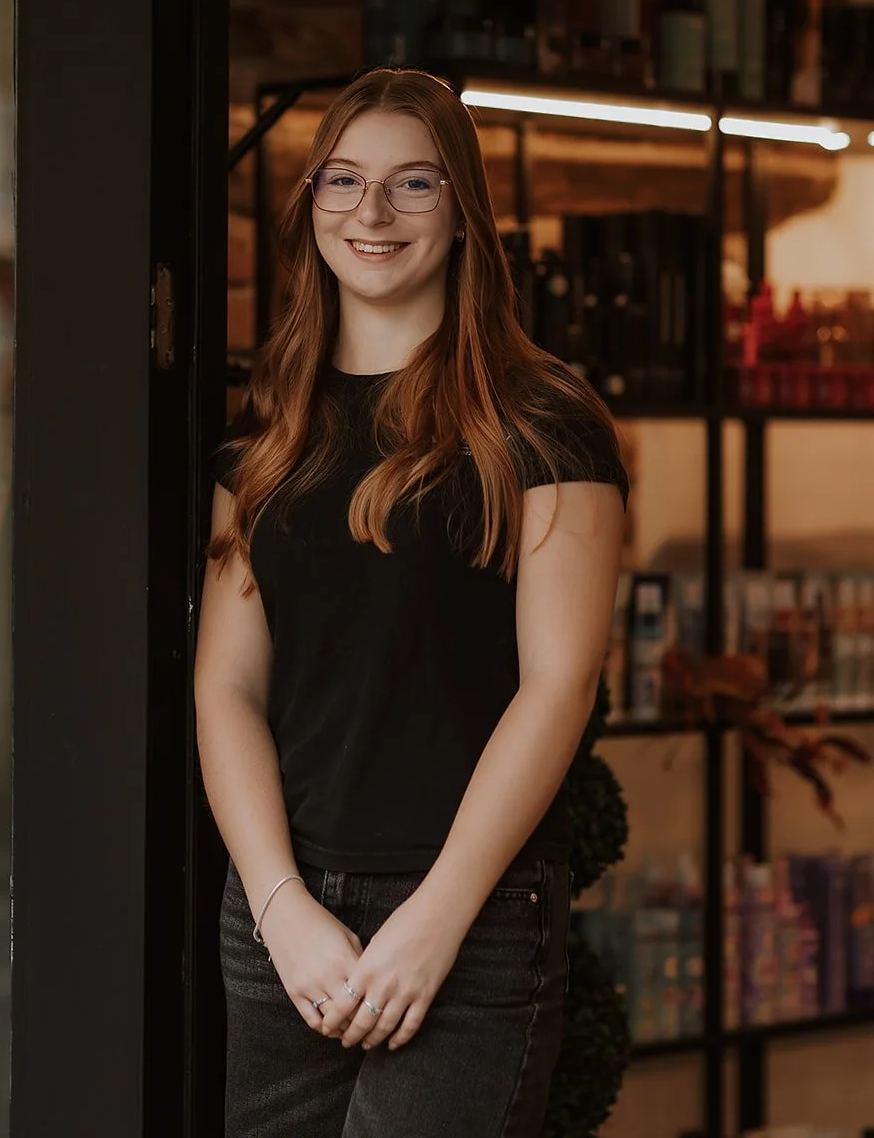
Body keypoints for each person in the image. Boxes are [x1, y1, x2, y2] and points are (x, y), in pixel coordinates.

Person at [195, 68, 627, 1138]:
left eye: (412, 184)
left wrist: (439, 914)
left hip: (466, 923)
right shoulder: (264, 438)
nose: (370, 212)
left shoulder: (541, 422)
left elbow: (558, 685)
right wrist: (279, 906)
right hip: (278, 927)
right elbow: (225, 687)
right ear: (309, 209)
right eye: (341, 180)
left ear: (464, 214)